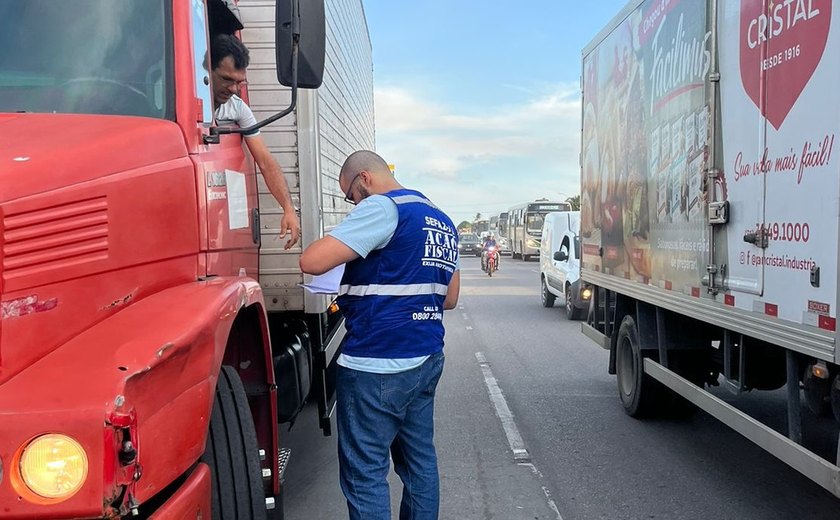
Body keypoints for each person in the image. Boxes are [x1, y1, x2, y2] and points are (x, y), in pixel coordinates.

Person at [299, 150, 460, 520]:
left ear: (365, 179)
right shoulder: (442, 219)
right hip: (426, 357)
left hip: (376, 362)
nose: (353, 204)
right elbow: (449, 299)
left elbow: (311, 261)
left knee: (365, 473)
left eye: (351, 196)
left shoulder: (383, 208)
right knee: (419, 465)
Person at [210, 34, 300, 248]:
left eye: (239, 82)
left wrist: (288, 209)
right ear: (206, 70)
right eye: (226, 79)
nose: (233, 89)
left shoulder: (238, 108)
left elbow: (266, 161)